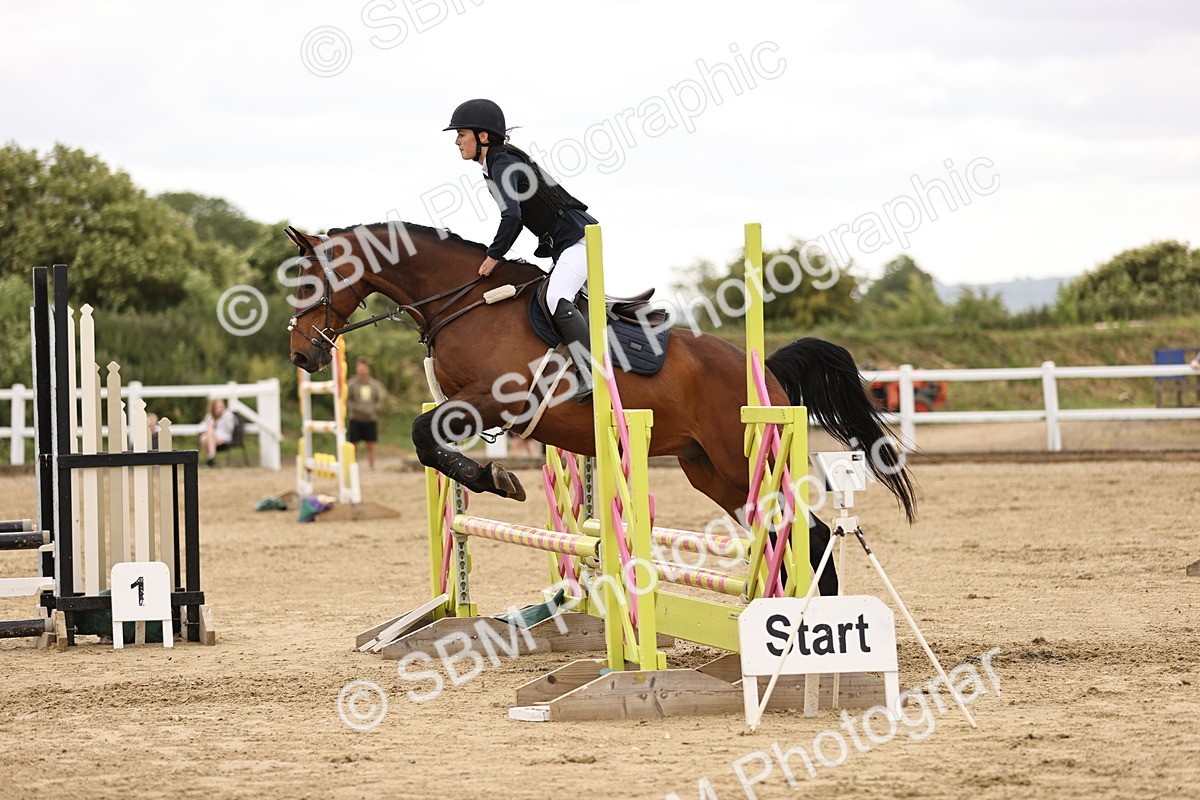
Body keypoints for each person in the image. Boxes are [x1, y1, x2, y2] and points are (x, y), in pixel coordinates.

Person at [444, 98, 599, 403]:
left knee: (556, 297)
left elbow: (512, 216)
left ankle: (591, 371)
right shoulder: (494, 164)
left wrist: (493, 256)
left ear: (483, 137)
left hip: (579, 240)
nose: (457, 141)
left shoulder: (502, 161)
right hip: (564, 246)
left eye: (462, 134)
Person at [346, 358, 387, 471]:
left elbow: (380, 399)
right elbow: (347, 399)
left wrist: (373, 409)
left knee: (371, 445)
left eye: (364, 369)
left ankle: (371, 467)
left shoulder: (374, 384)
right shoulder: (352, 384)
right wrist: (356, 408)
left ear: (368, 369)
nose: (362, 371)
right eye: (360, 369)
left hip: (370, 419)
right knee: (354, 444)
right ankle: (353, 466)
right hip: (355, 418)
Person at [198, 398, 235, 467]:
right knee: (204, 437)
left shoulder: (228, 416)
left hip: (225, 438)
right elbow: (201, 427)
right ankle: (211, 458)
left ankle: (210, 458)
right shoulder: (210, 416)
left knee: (209, 432)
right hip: (212, 438)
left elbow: (230, 429)